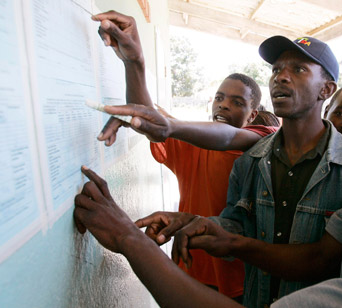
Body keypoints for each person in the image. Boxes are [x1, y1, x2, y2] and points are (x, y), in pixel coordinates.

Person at [74, 49, 342, 308]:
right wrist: (209, 228)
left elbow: (227, 136)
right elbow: (318, 256)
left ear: (326, 90)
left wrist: (127, 238)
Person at [138, 35, 342, 307]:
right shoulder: (250, 162)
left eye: (298, 69)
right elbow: (238, 224)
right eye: (276, 70)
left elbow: (332, 260)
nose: (281, 77)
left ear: (326, 89)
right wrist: (196, 222)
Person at [91, 11, 278, 299]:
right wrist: (134, 62)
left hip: (241, 277)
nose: (224, 105)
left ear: (253, 114)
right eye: (219, 97)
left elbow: (225, 136)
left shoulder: (261, 142)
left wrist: (169, 125)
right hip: (190, 266)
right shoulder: (192, 142)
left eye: (237, 102)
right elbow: (151, 117)